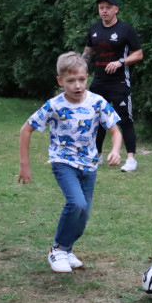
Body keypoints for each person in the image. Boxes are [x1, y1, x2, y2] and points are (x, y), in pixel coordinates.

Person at [17, 51, 123, 273]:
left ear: (87, 77)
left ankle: (66, 248)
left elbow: (115, 130)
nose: (77, 85)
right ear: (60, 81)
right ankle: (57, 250)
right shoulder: (54, 105)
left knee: (83, 215)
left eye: (82, 79)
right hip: (63, 162)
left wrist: (115, 150)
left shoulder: (97, 102)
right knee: (76, 203)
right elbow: (26, 130)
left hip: (89, 165)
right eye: (71, 81)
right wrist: (25, 164)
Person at [82, 0, 143, 172]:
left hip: (119, 83)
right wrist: (80, 70)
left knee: (125, 120)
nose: (104, 11)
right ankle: (98, 156)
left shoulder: (125, 29)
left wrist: (120, 62)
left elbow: (138, 54)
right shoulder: (94, 29)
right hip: (98, 83)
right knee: (96, 119)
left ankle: (131, 159)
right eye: (101, 8)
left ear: (116, 9)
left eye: (108, 7)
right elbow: (88, 52)